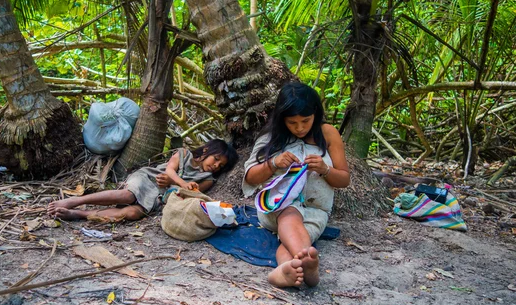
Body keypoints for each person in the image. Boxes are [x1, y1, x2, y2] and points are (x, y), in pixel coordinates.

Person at [243, 82, 350, 288]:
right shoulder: (270, 137)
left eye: (305, 121)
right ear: (282, 118)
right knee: (290, 214)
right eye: (292, 122)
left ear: (315, 114)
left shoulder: (328, 134)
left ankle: (287, 270)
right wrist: (273, 163)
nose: (299, 128)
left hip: (316, 211)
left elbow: (344, 179)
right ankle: (311, 272)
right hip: (277, 207)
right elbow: (250, 177)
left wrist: (325, 169)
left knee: (297, 242)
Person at [48, 139, 238, 221]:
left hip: (159, 196)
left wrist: (174, 186)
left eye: (221, 166)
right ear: (206, 151)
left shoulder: (208, 179)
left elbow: (193, 192)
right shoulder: (184, 153)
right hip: (148, 178)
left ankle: (79, 214)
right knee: (127, 196)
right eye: (216, 159)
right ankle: (76, 200)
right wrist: (177, 182)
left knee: (132, 213)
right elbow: (170, 170)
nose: (216, 166)